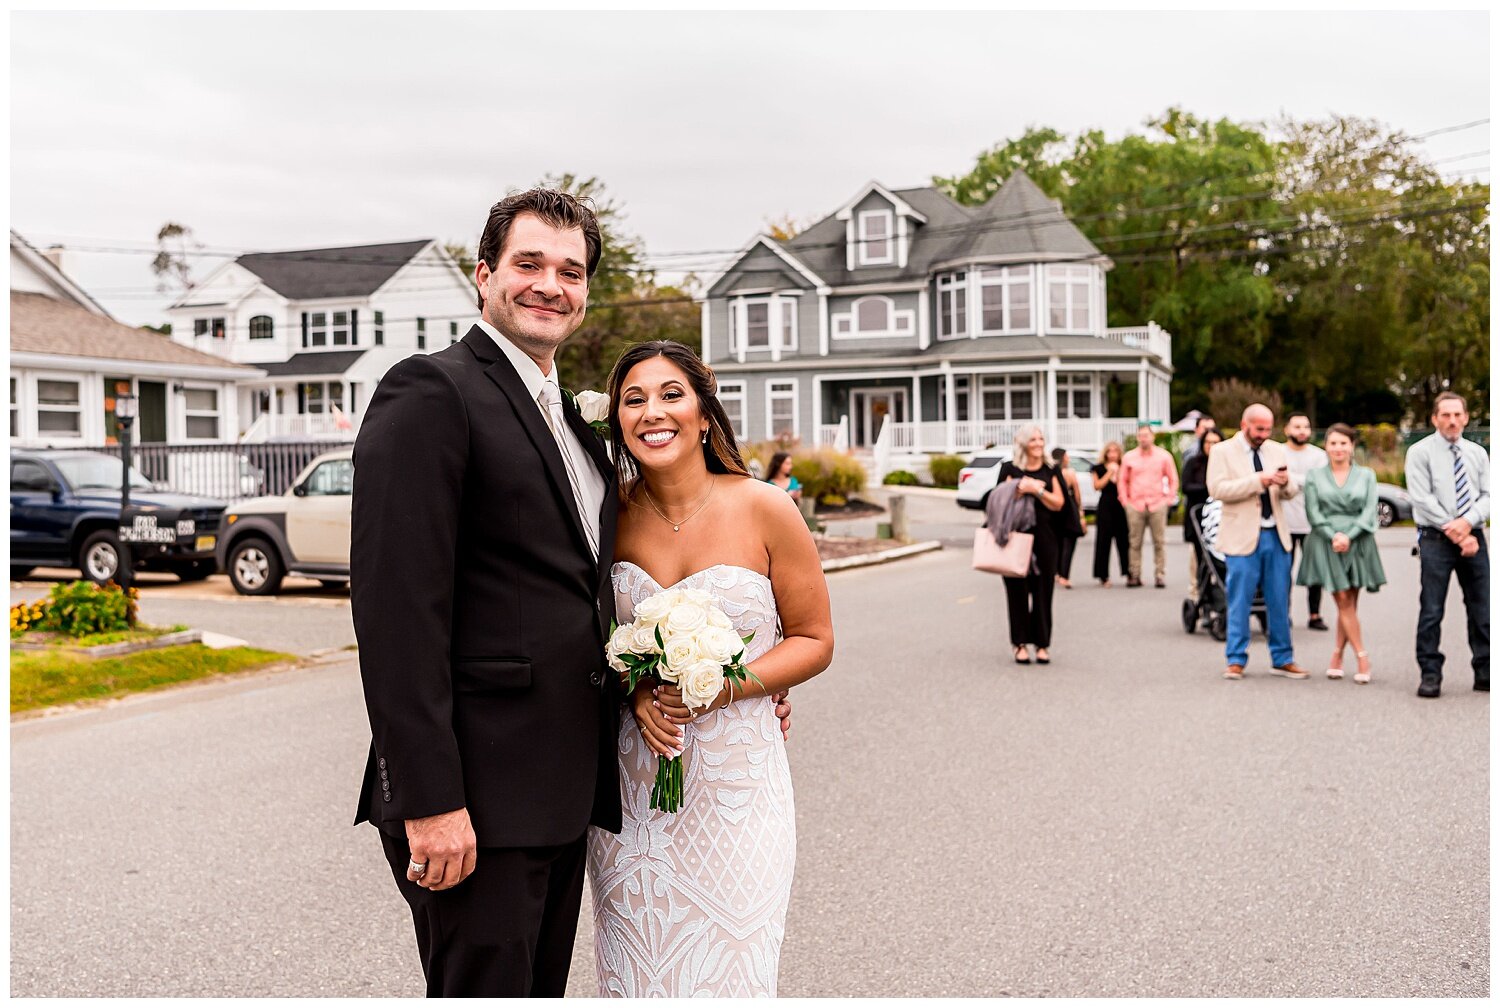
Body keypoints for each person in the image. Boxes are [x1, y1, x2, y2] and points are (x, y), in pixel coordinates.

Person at [350, 189, 793, 997]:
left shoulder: (578, 429)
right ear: (484, 275)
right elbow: (395, 615)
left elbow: (585, 606)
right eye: (529, 265)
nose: (550, 284)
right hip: (475, 801)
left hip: (563, 799)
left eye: (571, 271)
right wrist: (431, 800)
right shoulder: (432, 392)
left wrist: (702, 679)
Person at [589, 340, 834, 996]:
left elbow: (814, 638)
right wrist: (635, 688)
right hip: (635, 796)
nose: (652, 411)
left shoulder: (765, 507)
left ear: (703, 413)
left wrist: (727, 687)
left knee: (735, 975)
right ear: (618, 421)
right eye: (633, 399)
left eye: (671, 394)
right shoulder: (608, 516)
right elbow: (586, 635)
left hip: (739, 792)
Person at [1206, 403, 1308, 681]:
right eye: (1259, 429)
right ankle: (1236, 659)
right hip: (1241, 536)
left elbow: (1289, 492)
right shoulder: (1222, 451)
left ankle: (1283, 658)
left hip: (1276, 534)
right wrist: (1258, 481)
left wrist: (1285, 483)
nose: (1264, 434)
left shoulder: (1276, 450)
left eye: (1268, 429)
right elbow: (1217, 489)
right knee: (1239, 600)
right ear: (1244, 425)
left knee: (1279, 599)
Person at [1404, 391, 1489, 698]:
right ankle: (1430, 673)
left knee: (1483, 608)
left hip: (1474, 537)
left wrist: (1468, 524)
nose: (1452, 421)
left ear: (1466, 418)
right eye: (1446, 415)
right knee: (1432, 609)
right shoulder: (1419, 452)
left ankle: (1485, 671)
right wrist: (1456, 531)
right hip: (1436, 537)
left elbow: (1488, 495)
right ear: (1435, 419)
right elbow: (1421, 497)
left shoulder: (1478, 454)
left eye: (1457, 415)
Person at [1296, 424, 1385, 683]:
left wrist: (1350, 535)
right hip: (1327, 541)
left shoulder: (1366, 475)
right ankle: (1361, 656)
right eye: (1333, 443)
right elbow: (1313, 512)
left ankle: (1336, 654)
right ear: (1326, 446)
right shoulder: (1314, 475)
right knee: (1343, 600)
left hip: (1358, 540)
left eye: (1343, 443)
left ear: (1352, 446)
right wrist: (1333, 535)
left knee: (1351, 604)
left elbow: (1370, 511)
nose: (1338, 448)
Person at [998, 425, 1066, 663]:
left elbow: (1059, 503)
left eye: (1041, 439)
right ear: (1024, 443)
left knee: (1043, 592)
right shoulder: (1010, 469)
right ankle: (1019, 644)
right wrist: (1019, 489)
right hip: (1015, 537)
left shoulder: (1051, 469)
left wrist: (1037, 491)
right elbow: (1000, 501)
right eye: (1033, 439)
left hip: (1045, 538)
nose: (1038, 443)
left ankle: (1042, 644)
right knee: (1016, 591)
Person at [1282, 413, 1330, 630]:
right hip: (1285, 523)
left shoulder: (1319, 456)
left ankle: (1314, 614)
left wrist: (1292, 479)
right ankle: (1284, 613)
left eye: (1306, 426)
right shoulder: (1278, 453)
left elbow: (1318, 481)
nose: (1302, 431)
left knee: (1314, 571)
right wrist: (1305, 481)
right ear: (1287, 430)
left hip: (1312, 523)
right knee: (1283, 572)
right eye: (1297, 426)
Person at [1118, 423, 1179, 588]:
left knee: (1159, 541)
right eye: (1141, 435)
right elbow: (1122, 480)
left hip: (1157, 503)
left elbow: (1173, 479)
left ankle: (1160, 574)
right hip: (1136, 504)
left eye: (1146, 435)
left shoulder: (1163, 456)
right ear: (1137, 437)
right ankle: (1135, 574)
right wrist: (1125, 501)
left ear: (1152, 437)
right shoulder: (1129, 457)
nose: (1144, 438)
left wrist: (1168, 499)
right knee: (1135, 541)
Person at [1180, 427, 1222, 599]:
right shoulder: (1193, 462)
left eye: (1215, 442)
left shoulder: (1225, 463)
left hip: (1221, 517)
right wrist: (1209, 489)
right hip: (1198, 515)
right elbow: (1186, 487)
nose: (1211, 446)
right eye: (1208, 442)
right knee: (1201, 560)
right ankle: (1201, 595)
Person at [1091, 441, 1129, 586]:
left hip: (1120, 505)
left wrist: (1119, 473)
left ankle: (1128, 572)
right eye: (1110, 451)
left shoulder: (1124, 467)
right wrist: (1110, 472)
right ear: (1105, 453)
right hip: (1105, 505)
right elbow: (1097, 486)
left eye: (1115, 451)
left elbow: (1126, 485)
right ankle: (1103, 575)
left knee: (1124, 540)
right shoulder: (1098, 468)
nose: (1112, 454)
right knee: (1103, 540)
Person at [1050, 447, 1086, 589]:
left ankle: (1056, 572)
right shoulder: (1069, 473)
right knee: (1069, 544)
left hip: (1055, 509)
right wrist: (1080, 512)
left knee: (1057, 543)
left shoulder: (1051, 472)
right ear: (1063, 457)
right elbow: (1076, 493)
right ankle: (1064, 576)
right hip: (1069, 509)